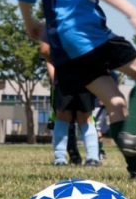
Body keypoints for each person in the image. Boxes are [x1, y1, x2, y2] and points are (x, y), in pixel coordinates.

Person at [15, 0, 136, 180]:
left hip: (62, 45)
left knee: (116, 103)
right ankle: (133, 134)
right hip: (86, 34)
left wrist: (29, 23)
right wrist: (132, 12)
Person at [39, 35, 100, 167]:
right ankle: (60, 158)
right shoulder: (54, 26)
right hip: (63, 77)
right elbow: (46, 53)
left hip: (85, 77)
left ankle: (93, 157)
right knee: (62, 115)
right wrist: (54, 77)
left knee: (85, 116)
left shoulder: (87, 25)